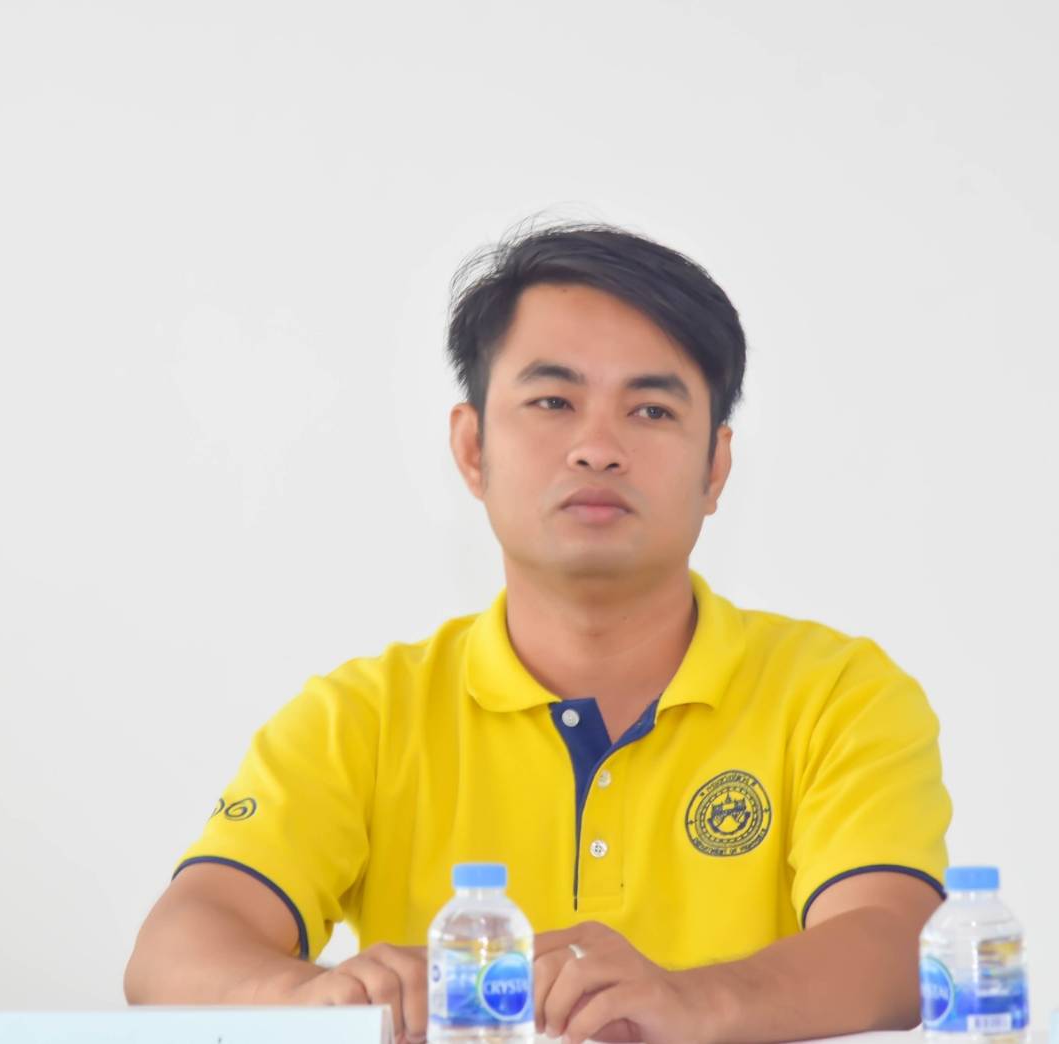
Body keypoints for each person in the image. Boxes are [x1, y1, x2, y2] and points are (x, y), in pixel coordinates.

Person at [124, 220, 953, 1044]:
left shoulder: (836, 694)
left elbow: (899, 946)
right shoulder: (361, 717)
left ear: (715, 467)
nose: (597, 448)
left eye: (652, 409)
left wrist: (695, 1002)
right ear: (472, 447)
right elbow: (174, 950)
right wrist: (318, 999)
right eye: (553, 402)